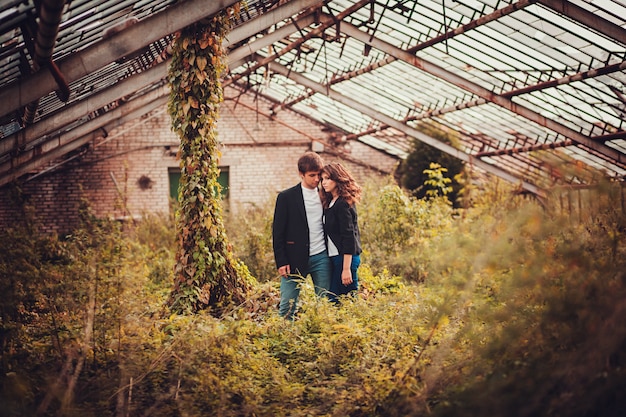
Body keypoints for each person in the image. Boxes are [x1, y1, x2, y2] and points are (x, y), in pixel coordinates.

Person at [272, 151, 331, 319]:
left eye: (319, 175)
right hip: (293, 259)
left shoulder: (326, 195)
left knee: (325, 304)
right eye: (312, 175)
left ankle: (321, 341)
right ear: (301, 174)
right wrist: (281, 261)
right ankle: (284, 342)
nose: (316, 179)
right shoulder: (286, 197)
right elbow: (278, 232)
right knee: (287, 306)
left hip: (321, 257)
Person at [320, 162, 362, 303]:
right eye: (322, 179)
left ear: (337, 179)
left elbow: (348, 236)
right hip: (335, 257)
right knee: (336, 301)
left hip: (345, 259)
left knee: (345, 301)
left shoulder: (343, 203)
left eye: (327, 178)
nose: (323, 182)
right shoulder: (331, 202)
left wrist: (346, 268)